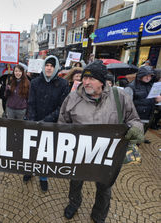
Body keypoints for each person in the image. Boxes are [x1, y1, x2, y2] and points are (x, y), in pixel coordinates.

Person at [58, 60, 144, 223]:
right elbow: (62, 123)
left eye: (91, 79)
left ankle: (99, 214)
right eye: (84, 78)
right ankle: (74, 203)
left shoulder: (119, 97)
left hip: (108, 155)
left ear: (102, 81)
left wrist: (136, 129)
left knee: (104, 187)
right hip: (80, 153)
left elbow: (134, 119)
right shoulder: (73, 98)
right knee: (75, 181)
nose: (86, 82)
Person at [23, 55, 70, 192]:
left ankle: (43, 177)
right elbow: (31, 103)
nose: (49, 68)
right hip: (35, 122)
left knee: (45, 153)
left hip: (51, 124)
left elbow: (62, 107)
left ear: (56, 68)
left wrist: (46, 121)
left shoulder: (63, 84)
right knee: (32, 150)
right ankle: (30, 171)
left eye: (52, 66)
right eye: (47, 65)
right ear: (43, 67)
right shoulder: (36, 82)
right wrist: (32, 120)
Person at [125, 66, 161, 133]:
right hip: (136, 118)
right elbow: (126, 105)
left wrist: (156, 100)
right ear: (140, 75)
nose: (148, 78)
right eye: (146, 76)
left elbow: (150, 100)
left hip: (148, 116)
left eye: (150, 76)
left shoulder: (151, 85)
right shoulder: (131, 87)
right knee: (132, 138)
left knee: (141, 135)